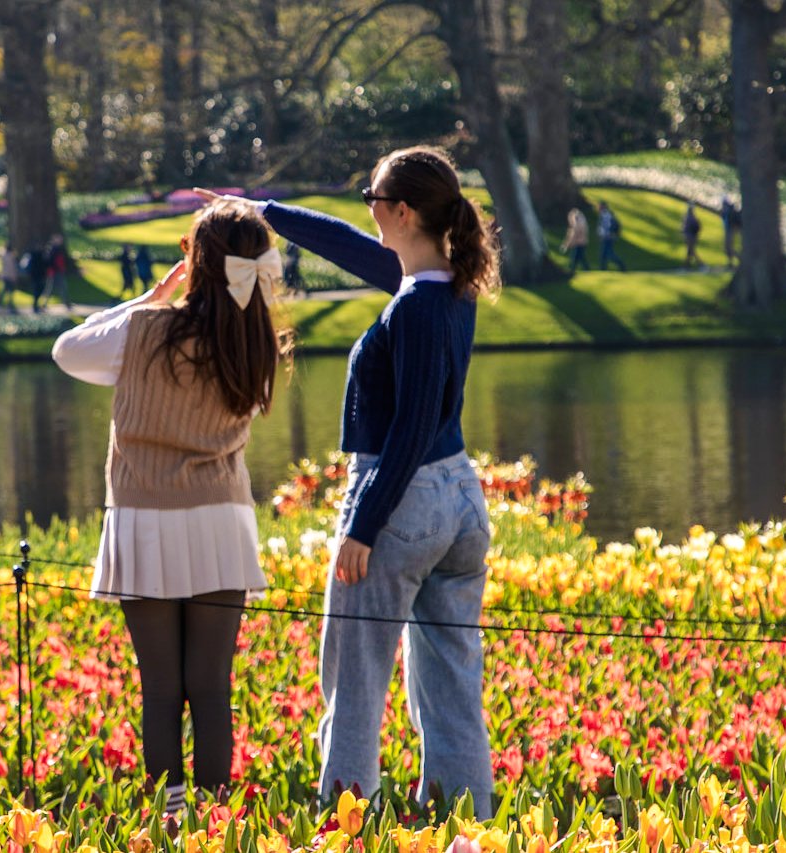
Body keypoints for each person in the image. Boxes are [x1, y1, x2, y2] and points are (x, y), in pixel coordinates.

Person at [198, 144, 499, 819]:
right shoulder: (445, 282)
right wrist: (262, 210)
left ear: (400, 211)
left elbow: (412, 424)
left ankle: (344, 822)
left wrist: (361, 527)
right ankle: (466, 820)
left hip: (402, 497)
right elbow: (347, 247)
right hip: (458, 499)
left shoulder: (416, 308)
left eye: (372, 202)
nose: (368, 215)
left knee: (355, 677)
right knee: (451, 678)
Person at [51, 201, 289, 814]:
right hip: (219, 519)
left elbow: (68, 351)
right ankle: (215, 821)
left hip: (145, 517)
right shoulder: (255, 337)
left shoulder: (146, 331)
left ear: (195, 260)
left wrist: (150, 298)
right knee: (211, 688)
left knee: (160, 690)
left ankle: (171, 818)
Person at [597, 202, 625, 271]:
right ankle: (603, 269)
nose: (598, 208)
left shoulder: (606, 215)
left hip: (608, 238)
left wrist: (604, 235)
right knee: (604, 254)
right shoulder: (605, 215)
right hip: (607, 237)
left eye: (600, 207)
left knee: (610, 254)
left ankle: (621, 265)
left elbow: (607, 227)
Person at [44, 234, 70, 309]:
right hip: (55, 271)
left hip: (57, 271)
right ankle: (66, 303)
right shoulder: (53, 249)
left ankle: (66, 303)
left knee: (56, 288)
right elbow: (50, 261)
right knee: (55, 288)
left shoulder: (56, 248)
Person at [560, 208, 590, 273]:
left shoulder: (577, 222)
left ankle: (572, 270)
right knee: (580, 257)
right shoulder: (582, 220)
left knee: (575, 257)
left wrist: (567, 245)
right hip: (582, 242)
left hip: (579, 243)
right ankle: (584, 269)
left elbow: (574, 234)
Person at [0, 243, 20, 313]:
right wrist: (14, 277)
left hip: (5, 276)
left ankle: (4, 304)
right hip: (9, 276)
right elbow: (12, 268)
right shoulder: (11, 257)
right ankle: (8, 305)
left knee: (6, 291)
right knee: (9, 291)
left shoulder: (4, 256)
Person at [22, 244, 47, 312]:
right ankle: (36, 305)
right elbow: (45, 265)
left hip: (34, 275)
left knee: (37, 289)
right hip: (40, 275)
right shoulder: (42, 255)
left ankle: (36, 304)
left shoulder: (31, 254)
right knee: (40, 289)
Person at [720, 195, 741, 269]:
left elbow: (733, 222)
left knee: (728, 247)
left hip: (731, 230)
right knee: (727, 247)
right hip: (728, 229)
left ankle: (740, 259)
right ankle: (731, 262)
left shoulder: (731, 211)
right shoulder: (725, 211)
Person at [682, 202, 703, 269]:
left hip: (690, 236)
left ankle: (700, 264)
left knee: (691, 251)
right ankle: (687, 265)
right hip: (691, 236)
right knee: (690, 251)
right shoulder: (691, 218)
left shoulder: (689, 218)